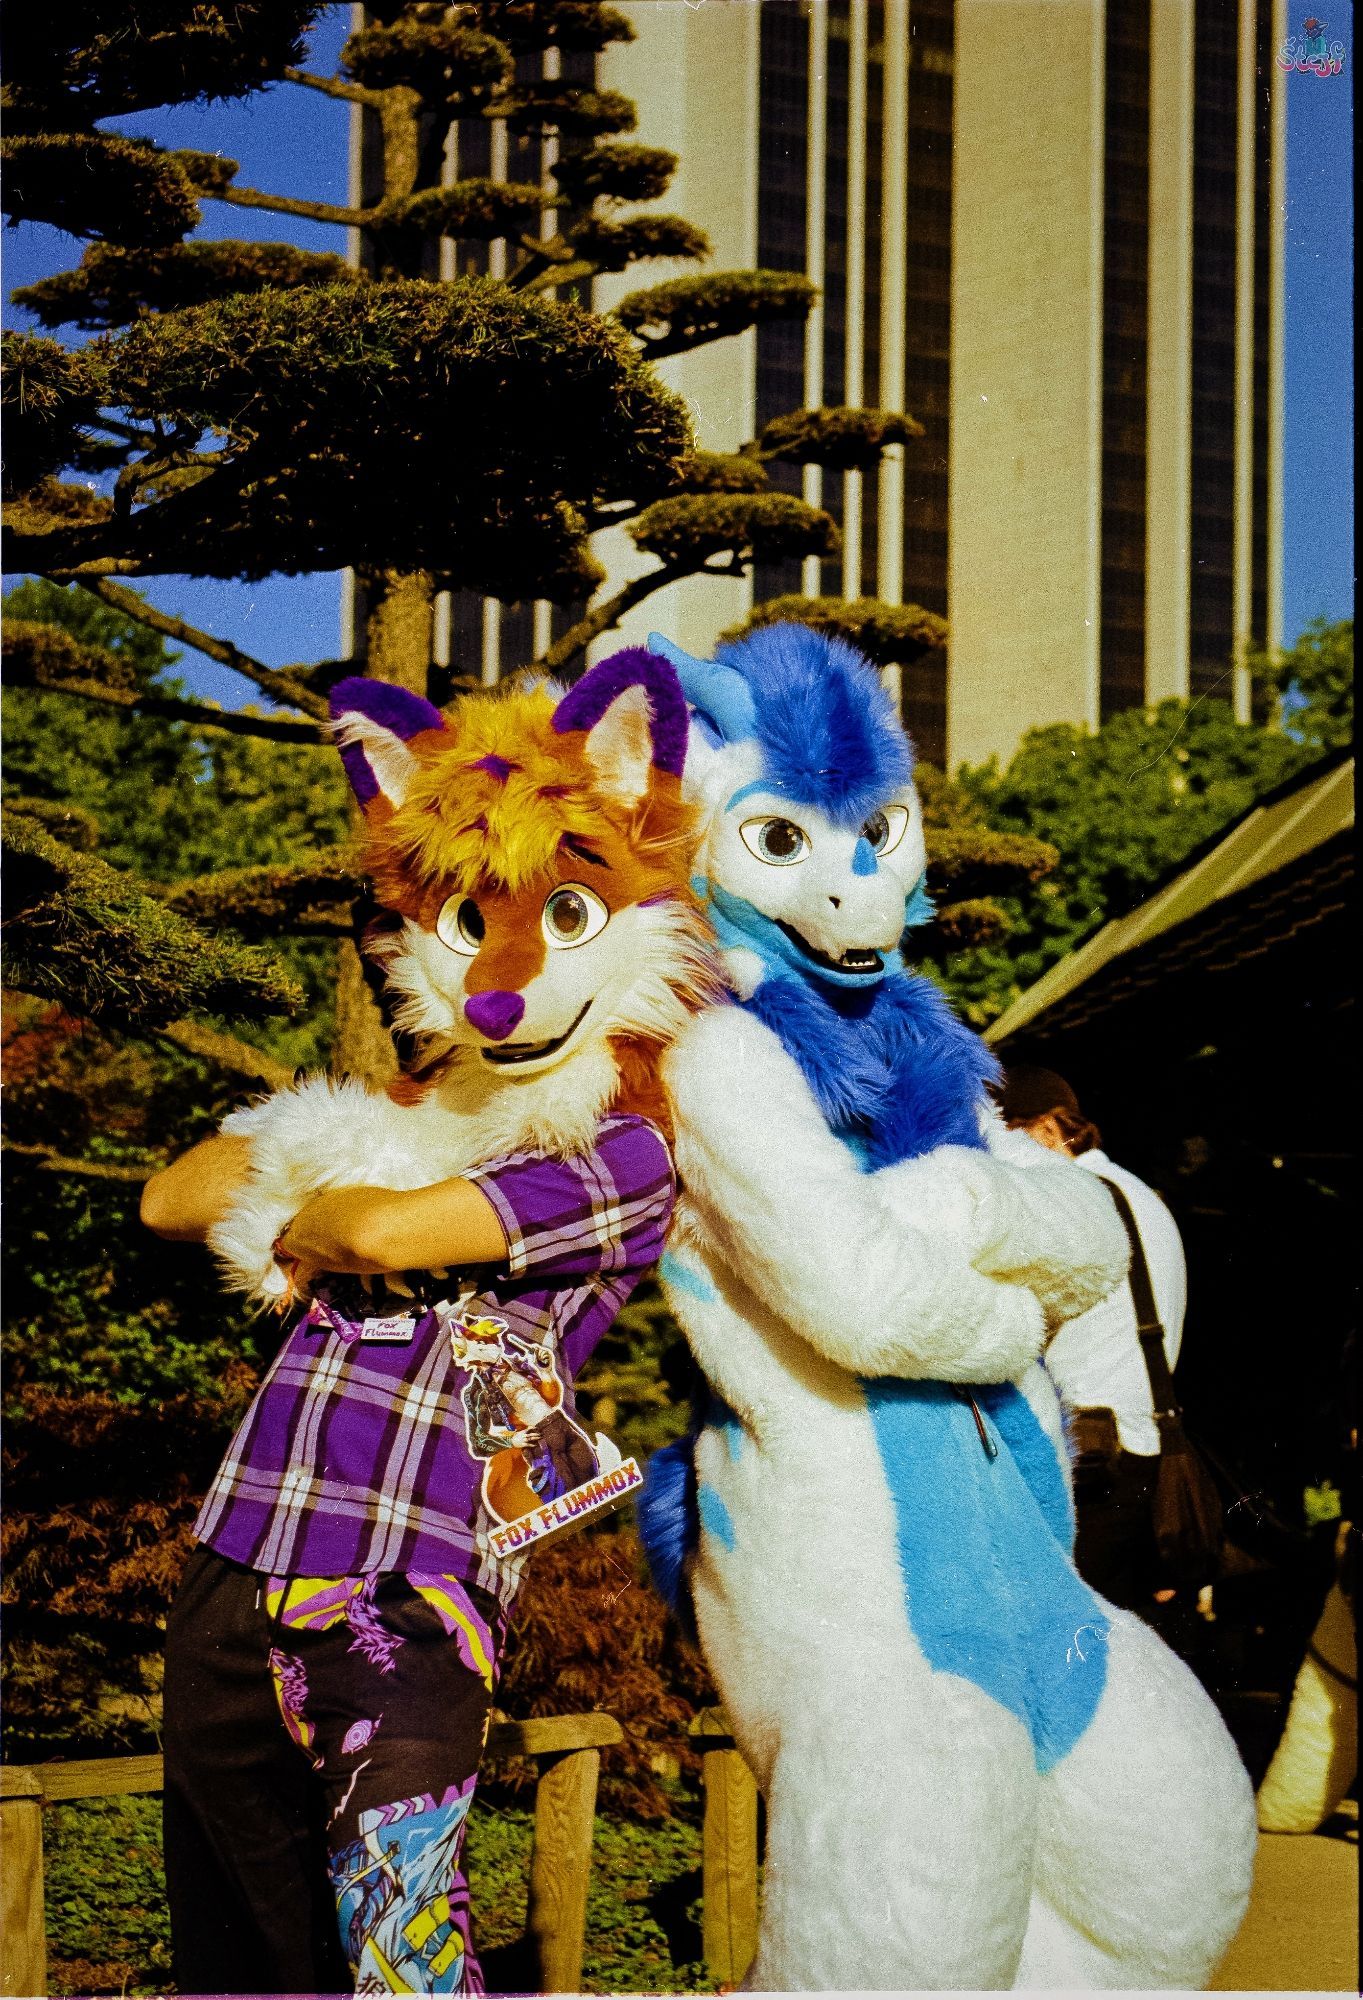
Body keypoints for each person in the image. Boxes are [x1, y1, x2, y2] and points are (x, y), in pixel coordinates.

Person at [997, 1064, 1187, 1612]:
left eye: (1007, 1136)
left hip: (1092, 1461)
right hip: (1149, 1453)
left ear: (1052, 1130)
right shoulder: (1142, 1197)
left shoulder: (1069, 1200)